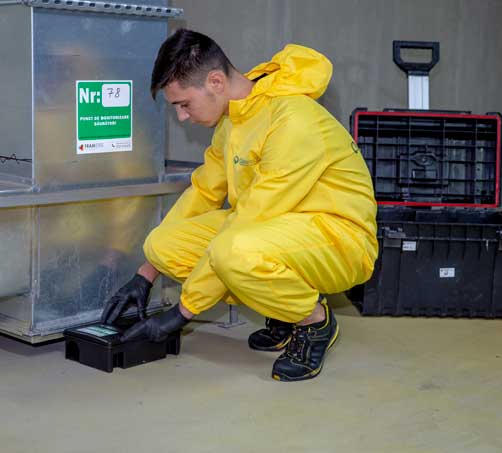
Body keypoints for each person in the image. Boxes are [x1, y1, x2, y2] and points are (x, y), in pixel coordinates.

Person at [101, 29, 378, 382]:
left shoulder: (293, 120)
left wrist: (182, 312)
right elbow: (204, 192)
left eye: (184, 104)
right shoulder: (234, 121)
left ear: (215, 82)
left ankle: (314, 321)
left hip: (340, 239)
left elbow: (250, 218)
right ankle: (283, 307)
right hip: (279, 229)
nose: (182, 117)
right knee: (163, 245)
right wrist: (146, 274)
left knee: (233, 252)